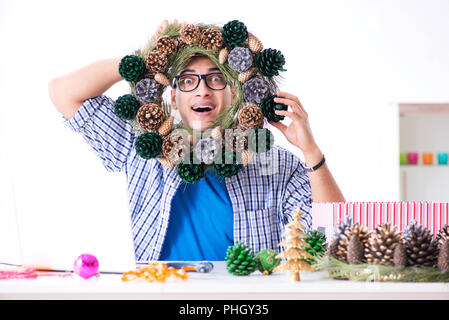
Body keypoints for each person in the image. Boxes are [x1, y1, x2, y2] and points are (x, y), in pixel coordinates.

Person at [48, 20, 345, 262]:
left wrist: (311, 151)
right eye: (188, 80)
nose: (203, 91)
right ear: (174, 98)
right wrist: (141, 61)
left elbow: (333, 238)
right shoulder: (140, 148)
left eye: (216, 79)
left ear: (234, 93)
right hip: (157, 290)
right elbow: (63, 93)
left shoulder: (277, 164)